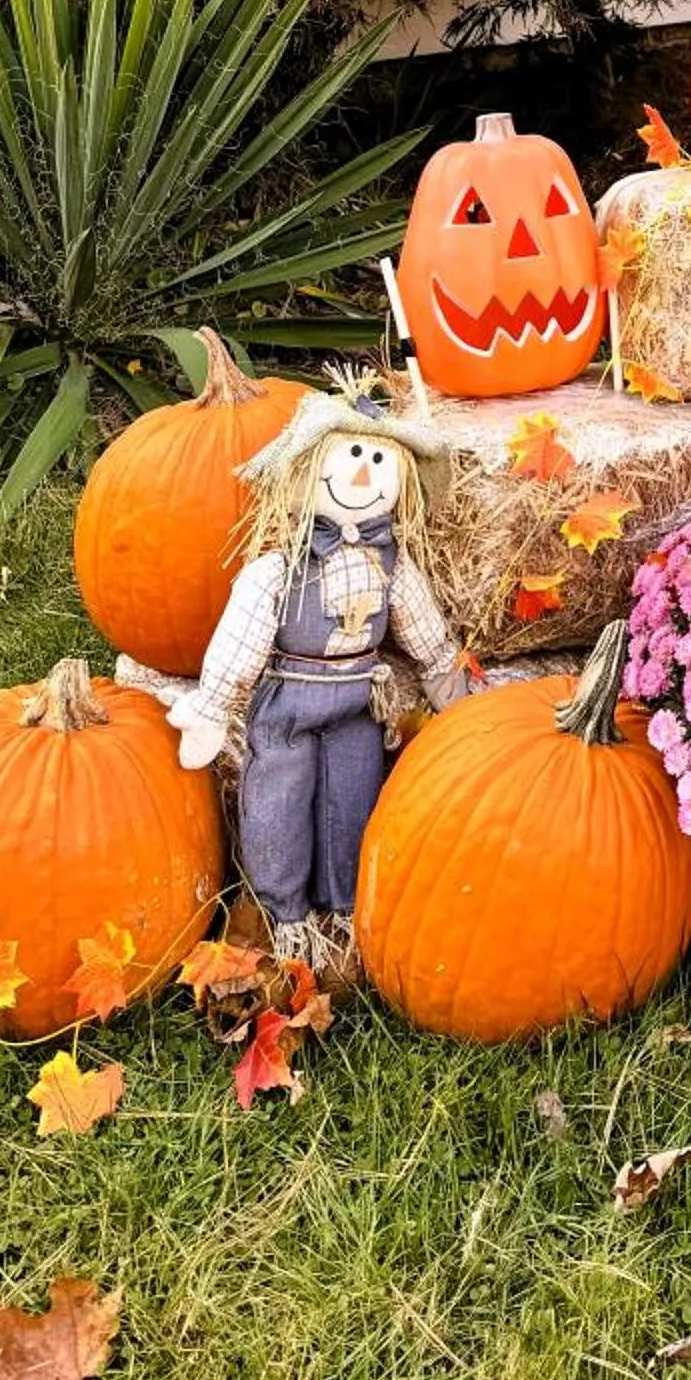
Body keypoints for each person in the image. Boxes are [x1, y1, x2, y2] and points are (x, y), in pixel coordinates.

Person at [168, 385, 470, 977]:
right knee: (278, 804)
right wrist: (212, 705)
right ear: (306, 473)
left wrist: (448, 686)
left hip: (359, 701)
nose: (362, 474)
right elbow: (241, 639)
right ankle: (284, 915)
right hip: (289, 700)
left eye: (379, 461)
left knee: (353, 799)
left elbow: (424, 633)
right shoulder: (276, 570)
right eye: (349, 457)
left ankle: (342, 912)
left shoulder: (392, 566)